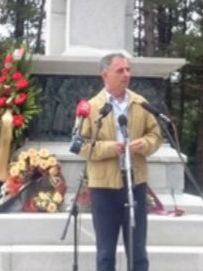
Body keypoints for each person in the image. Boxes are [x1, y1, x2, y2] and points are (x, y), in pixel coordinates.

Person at [78, 53, 162, 271]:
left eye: (128, 70)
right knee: (105, 254)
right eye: (120, 70)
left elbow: (156, 135)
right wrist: (110, 148)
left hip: (135, 183)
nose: (126, 75)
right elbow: (79, 145)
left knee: (138, 253)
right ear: (104, 75)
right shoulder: (91, 107)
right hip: (104, 187)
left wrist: (144, 144)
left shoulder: (140, 103)